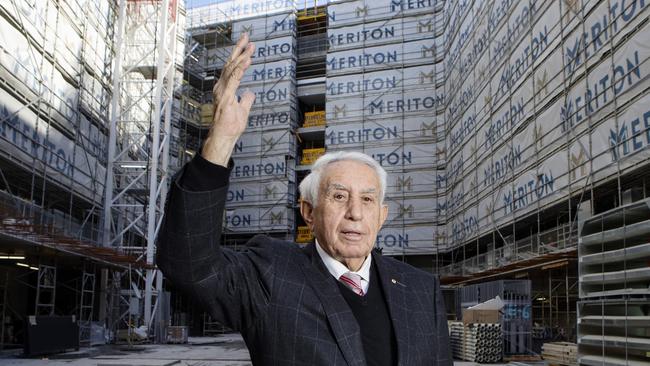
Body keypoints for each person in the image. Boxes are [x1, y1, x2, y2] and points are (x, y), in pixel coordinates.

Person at [156, 33, 452, 366]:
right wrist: (221, 141)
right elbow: (189, 265)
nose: (355, 212)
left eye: (367, 200)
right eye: (339, 196)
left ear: (382, 216)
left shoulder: (420, 289)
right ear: (308, 212)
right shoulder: (270, 276)